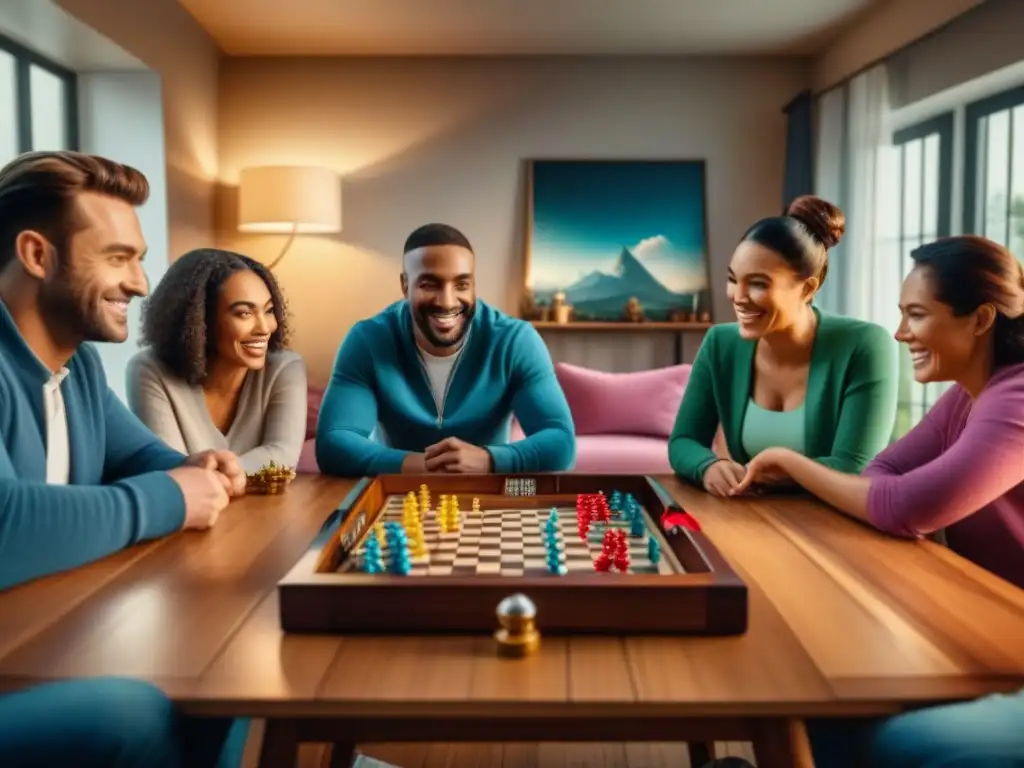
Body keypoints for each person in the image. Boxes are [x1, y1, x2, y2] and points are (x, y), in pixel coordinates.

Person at [736, 235, 1024, 766]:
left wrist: (791, 461)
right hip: (986, 622)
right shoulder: (968, 394)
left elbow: (903, 505)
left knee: (883, 732)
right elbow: (884, 473)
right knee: (826, 697)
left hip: (1008, 640)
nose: (900, 333)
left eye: (916, 315)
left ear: (980, 320)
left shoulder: (1017, 398)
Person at [0, 150, 247, 766]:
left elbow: (142, 455)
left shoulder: (76, 365)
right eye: (119, 258)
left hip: (40, 641)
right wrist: (173, 496)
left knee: (230, 671)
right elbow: (6, 525)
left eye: (137, 259)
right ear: (36, 254)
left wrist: (200, 467)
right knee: (130, 715)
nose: (140, 283)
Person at [668, 195, 898, 496]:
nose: (738, 296)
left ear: (808, 287)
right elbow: (683, 441)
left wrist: (771, 472)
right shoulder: (720, 344)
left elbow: (854, 465)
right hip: (756, 520)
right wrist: (708, 466)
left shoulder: (865, 345)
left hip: (838, 523)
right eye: (733, 279)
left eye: (759, 284)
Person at [315, 222, 575, 476]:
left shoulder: (515, 341)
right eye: (430, 284)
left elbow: (560, 442)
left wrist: (487, 459)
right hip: (398, 497)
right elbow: (333, 442)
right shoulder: (368, 340)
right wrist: (423, 466)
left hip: (488, 496)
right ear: (405, 285)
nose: (447, 302)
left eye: (461, 285)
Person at [127, 248, 308, 473]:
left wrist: (209, 475)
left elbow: (283, 454)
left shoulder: (285, 367)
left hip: (267, 508)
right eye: (244, 313)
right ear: (198, 320)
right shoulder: (149, 370)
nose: (265, 328)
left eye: (269, 311)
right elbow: (172, 470)